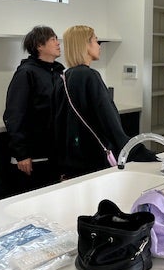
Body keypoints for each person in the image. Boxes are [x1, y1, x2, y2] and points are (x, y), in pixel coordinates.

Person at [55, 25, 157, 179]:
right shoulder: (90, 76)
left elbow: (59, 122)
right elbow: (109, 121)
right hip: (95, 157)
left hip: (73, 160)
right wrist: (139, 152)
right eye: (96, 41)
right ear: (85, 45)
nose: (99, 46)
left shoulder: (63, 77)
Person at [3, 25, 64, 193]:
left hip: (55, 153)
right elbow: (14, 115)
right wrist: (21, 154)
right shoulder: (26, 73)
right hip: (33, 156)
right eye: (52, 39)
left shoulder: (59, 71)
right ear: (39, 45)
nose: (58, 43)